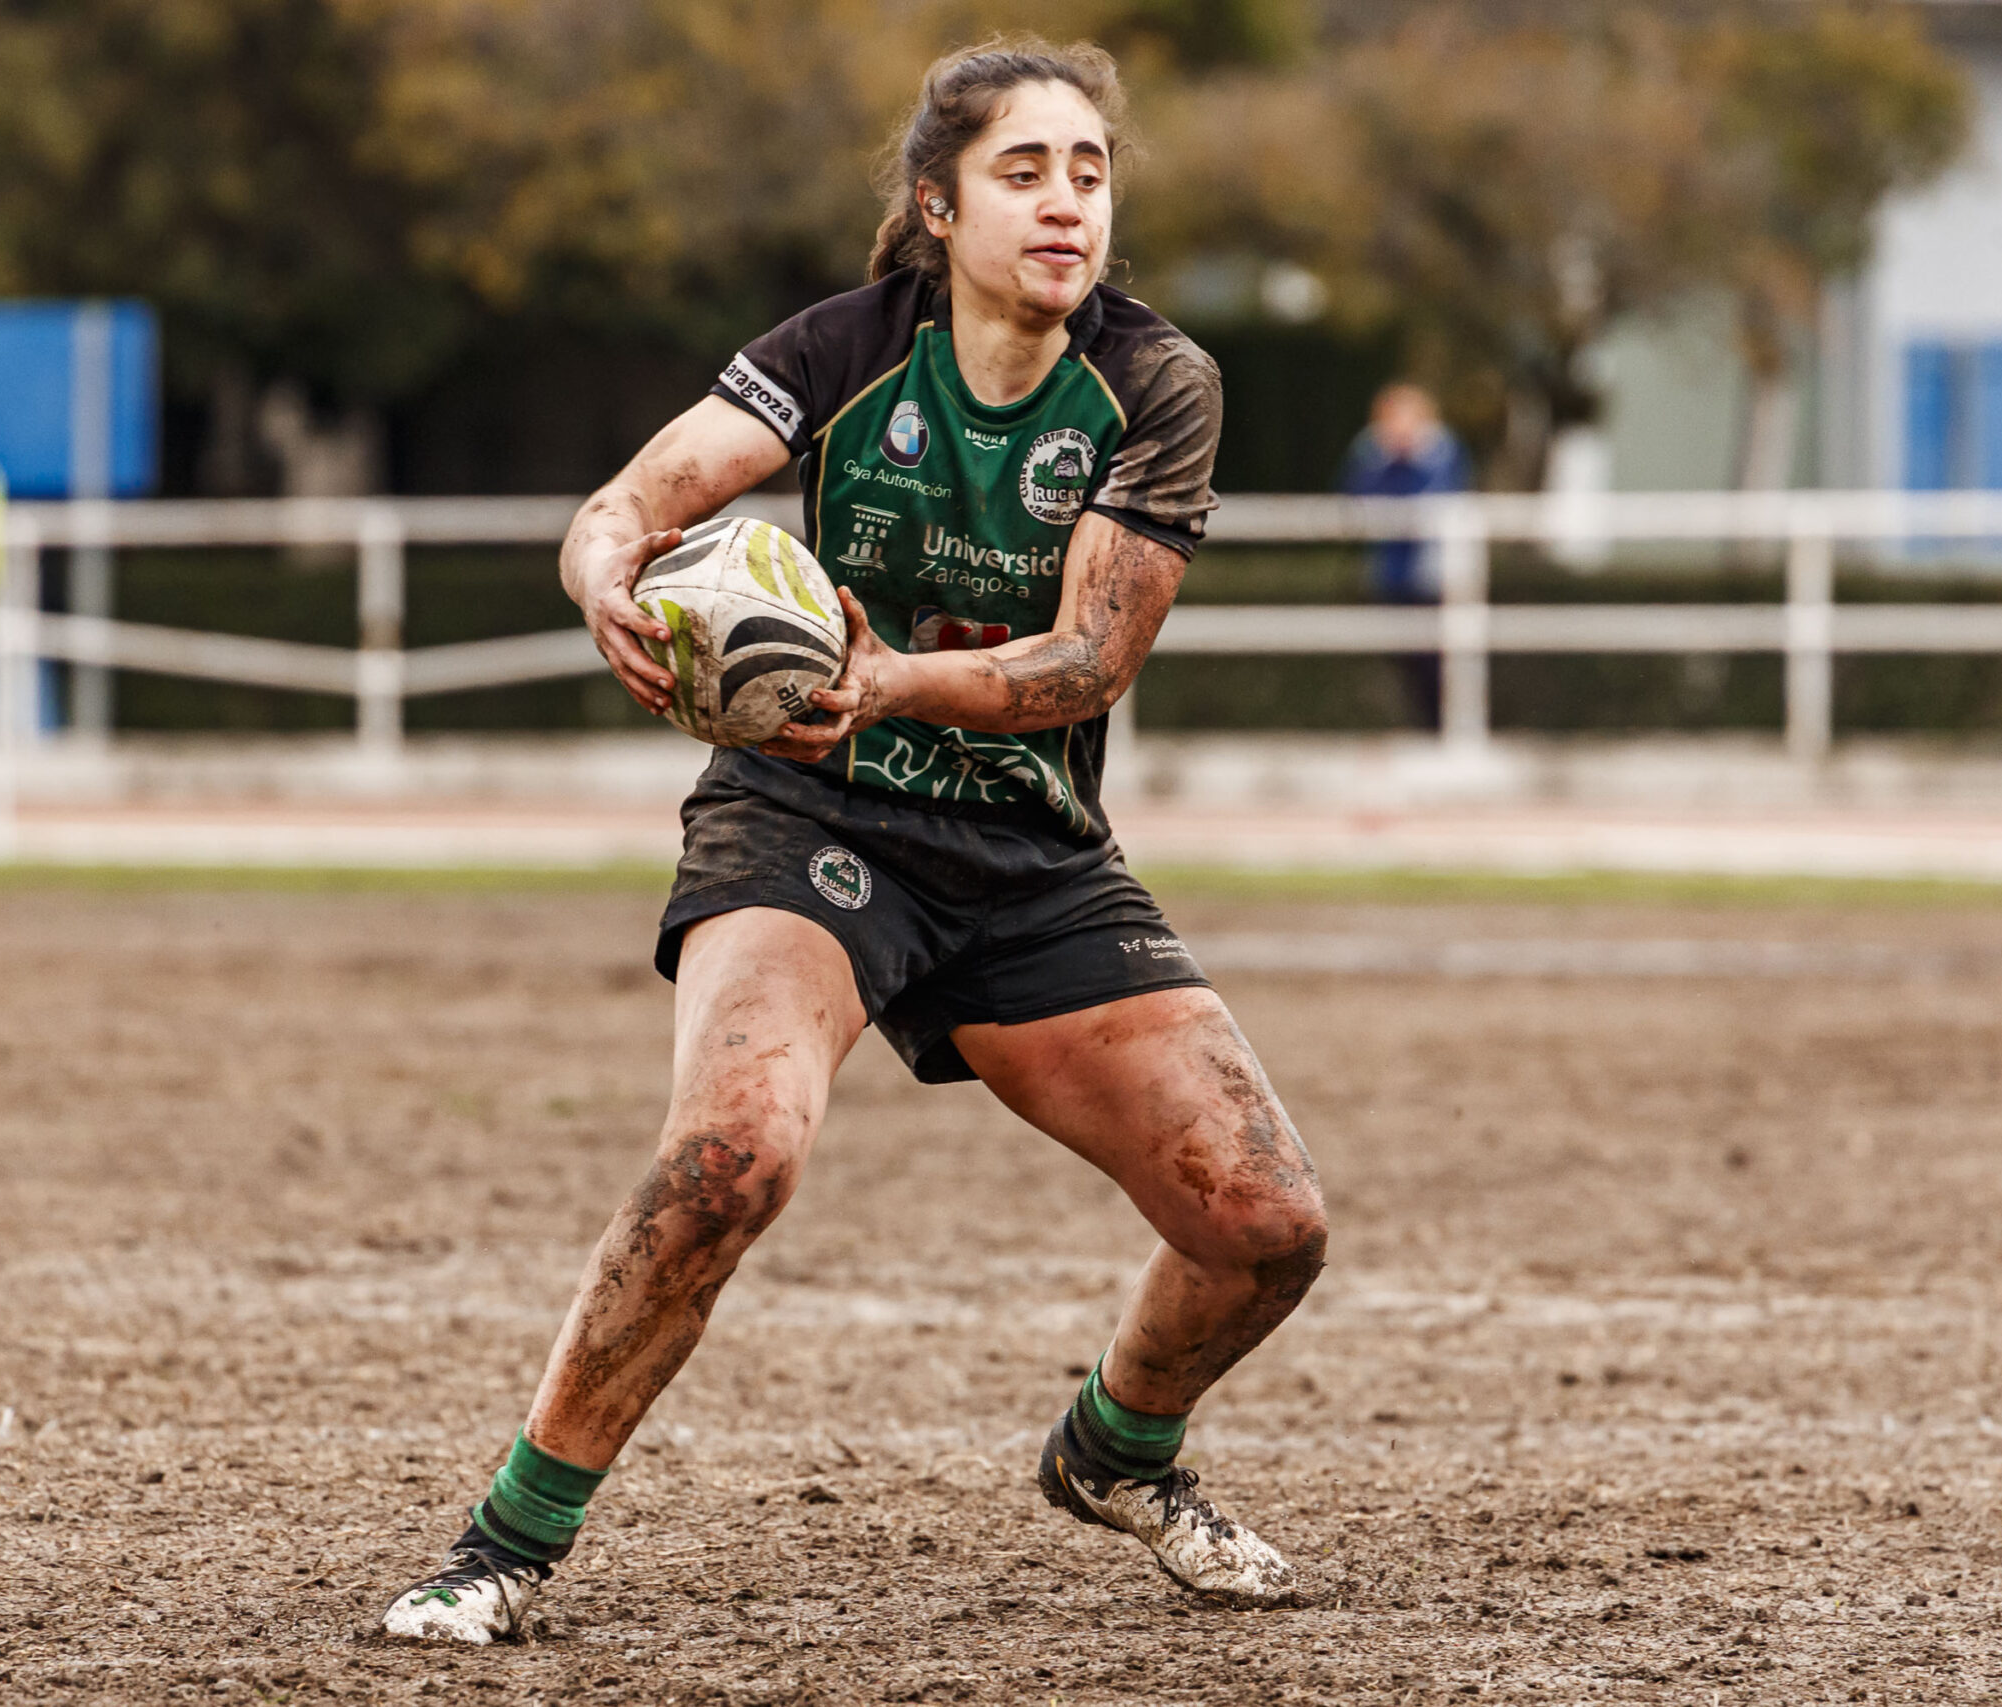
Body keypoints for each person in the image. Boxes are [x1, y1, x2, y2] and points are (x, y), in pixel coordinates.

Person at [380, 39, 1329, 1647]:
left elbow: (1089, 666)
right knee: (730, 1156)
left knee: (1266, 1223)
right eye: (1024, 170)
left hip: (1027, 849)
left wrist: (886, 675)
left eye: (1090, 171)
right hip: (811, 819)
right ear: (937, 205)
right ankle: (502, 1546)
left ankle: (1115, 1449)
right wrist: (604, 573)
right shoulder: (844, 348)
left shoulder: (1156, 385)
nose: (1065, 201)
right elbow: (631, 499)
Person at [1341, 382, 1468, 731]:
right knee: (1404, 657)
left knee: (1437, 659)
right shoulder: (1370, 452)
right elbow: (1358, 502)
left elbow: (1437, 504)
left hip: (1434, 573)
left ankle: (1441, 728)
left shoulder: (1442, 451)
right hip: (1390, 573)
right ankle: (1420, 727)